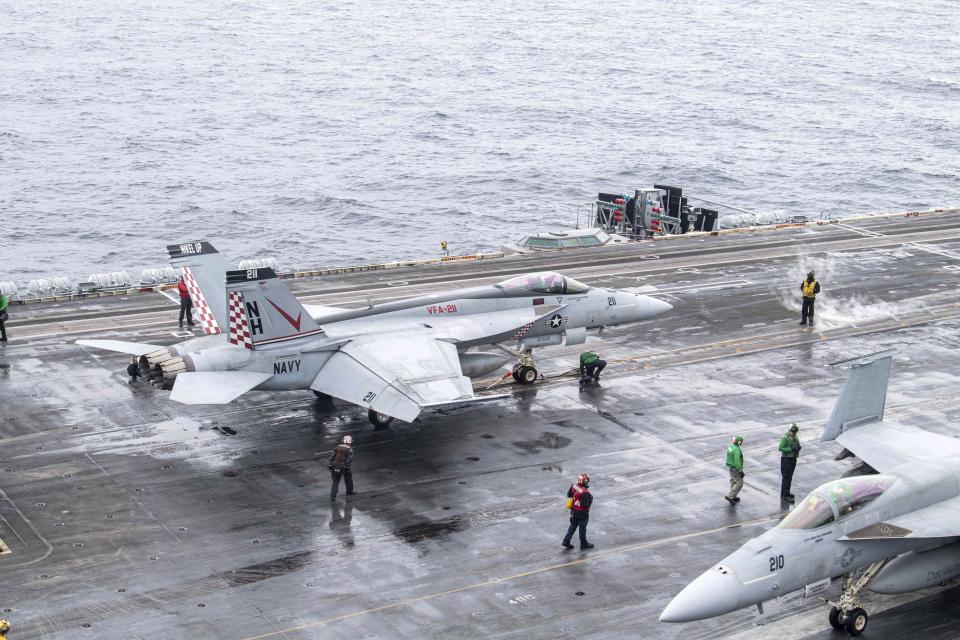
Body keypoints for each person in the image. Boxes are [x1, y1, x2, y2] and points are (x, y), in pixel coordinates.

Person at [562, 472, 594, 549]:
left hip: (574, 511)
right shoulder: (585, 492)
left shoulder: (574, 486)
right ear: (585, 481)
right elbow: (584, 504)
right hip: (582, 513)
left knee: (572, 526)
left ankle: (566, 541)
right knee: (582, 528)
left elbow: (569, 495)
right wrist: (590, 498)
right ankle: (584, 543)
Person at [778, 423, 802, 503]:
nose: (794, 433)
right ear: (789, 431)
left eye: (795, 432)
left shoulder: (795, 436)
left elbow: (797, 444)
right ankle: (784, 495)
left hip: (793, 459)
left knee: (789, 477)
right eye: (793, 432)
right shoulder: (785, 438)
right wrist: (790, 449)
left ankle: (787, 492)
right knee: (786, 477)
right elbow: (780, 448)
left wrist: (798, 447)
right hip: (786, 460)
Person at [328, 435, 354, 500]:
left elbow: (331, 457)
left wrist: (330, 465)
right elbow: (349, 460)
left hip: (335, 466)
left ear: (343, 441)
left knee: (335, 482)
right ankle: (349, 493)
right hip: (343, 467)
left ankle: (333, 497)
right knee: (348, 479)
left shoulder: (337, 447)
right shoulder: (350, 449)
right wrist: (346, 466)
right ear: (350, 442)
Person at [725, 435, 745, 505]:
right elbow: (737, 462)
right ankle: (730, 496)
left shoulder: (731, 447)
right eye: (741, 441)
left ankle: (733, 496)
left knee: (733, 481)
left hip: (731, 467)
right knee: (739, 483)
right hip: (735, 469)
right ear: (738, 442)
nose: (742, 442)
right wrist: (740, 471)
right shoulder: (736, 450)